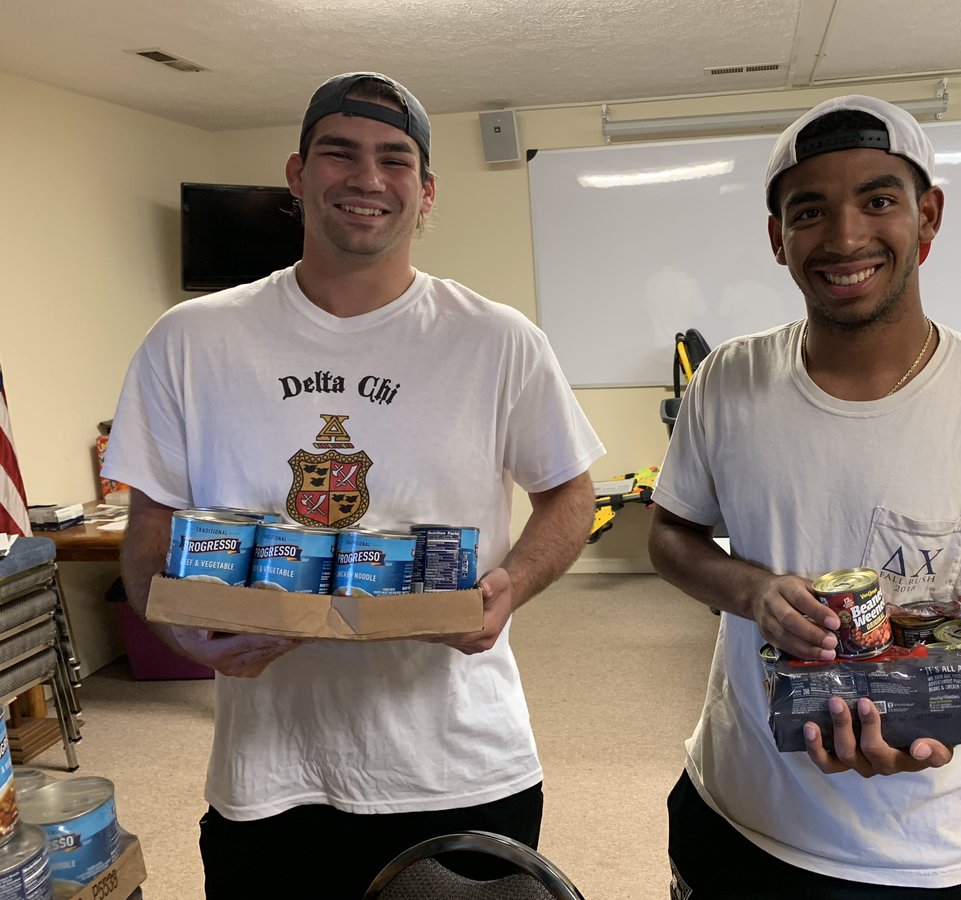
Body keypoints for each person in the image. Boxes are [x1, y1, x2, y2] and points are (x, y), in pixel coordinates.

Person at [103, 72, 604, 898]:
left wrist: (511, 584)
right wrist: (182, 632)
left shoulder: (498, 340)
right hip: (267, 774)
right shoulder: (190, 339)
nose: (367, 179)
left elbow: (570, 494)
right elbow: (150, 524)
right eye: (339, 153)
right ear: (298, 176)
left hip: (462, 766)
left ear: (427, 190)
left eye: (394, 159)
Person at [647, 94, 961, 899]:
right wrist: (755, 591)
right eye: (810, 211)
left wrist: (940, 709)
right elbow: (670, 536)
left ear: (928, 218)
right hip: (730, 804)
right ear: (777, 238)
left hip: (918, 847)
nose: (846, 236)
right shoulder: (729, 379)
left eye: (879, 200)